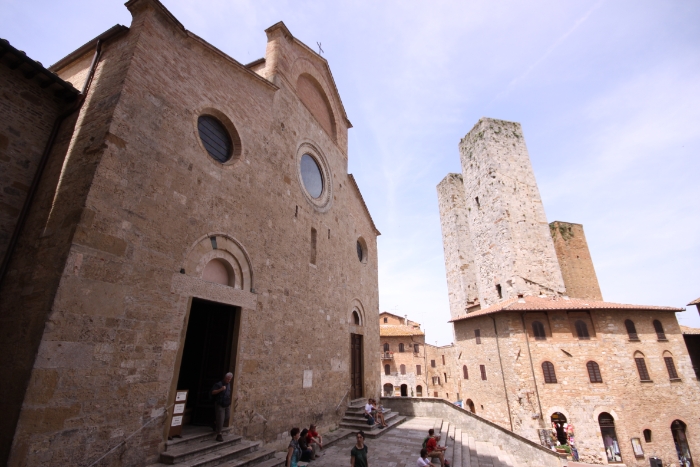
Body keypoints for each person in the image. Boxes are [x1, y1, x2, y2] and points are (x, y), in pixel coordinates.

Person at [211, 372, 233, 442]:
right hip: (220, 404)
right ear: (225, 378)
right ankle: (219, 434)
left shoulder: (229, 384)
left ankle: (215, 423)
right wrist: (220, 389)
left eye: (230, 379)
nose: (228, 380)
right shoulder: (219, 384)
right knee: (221, 419)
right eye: (228, 379)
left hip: (226, 404)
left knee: (227, 416)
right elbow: (213, 392)